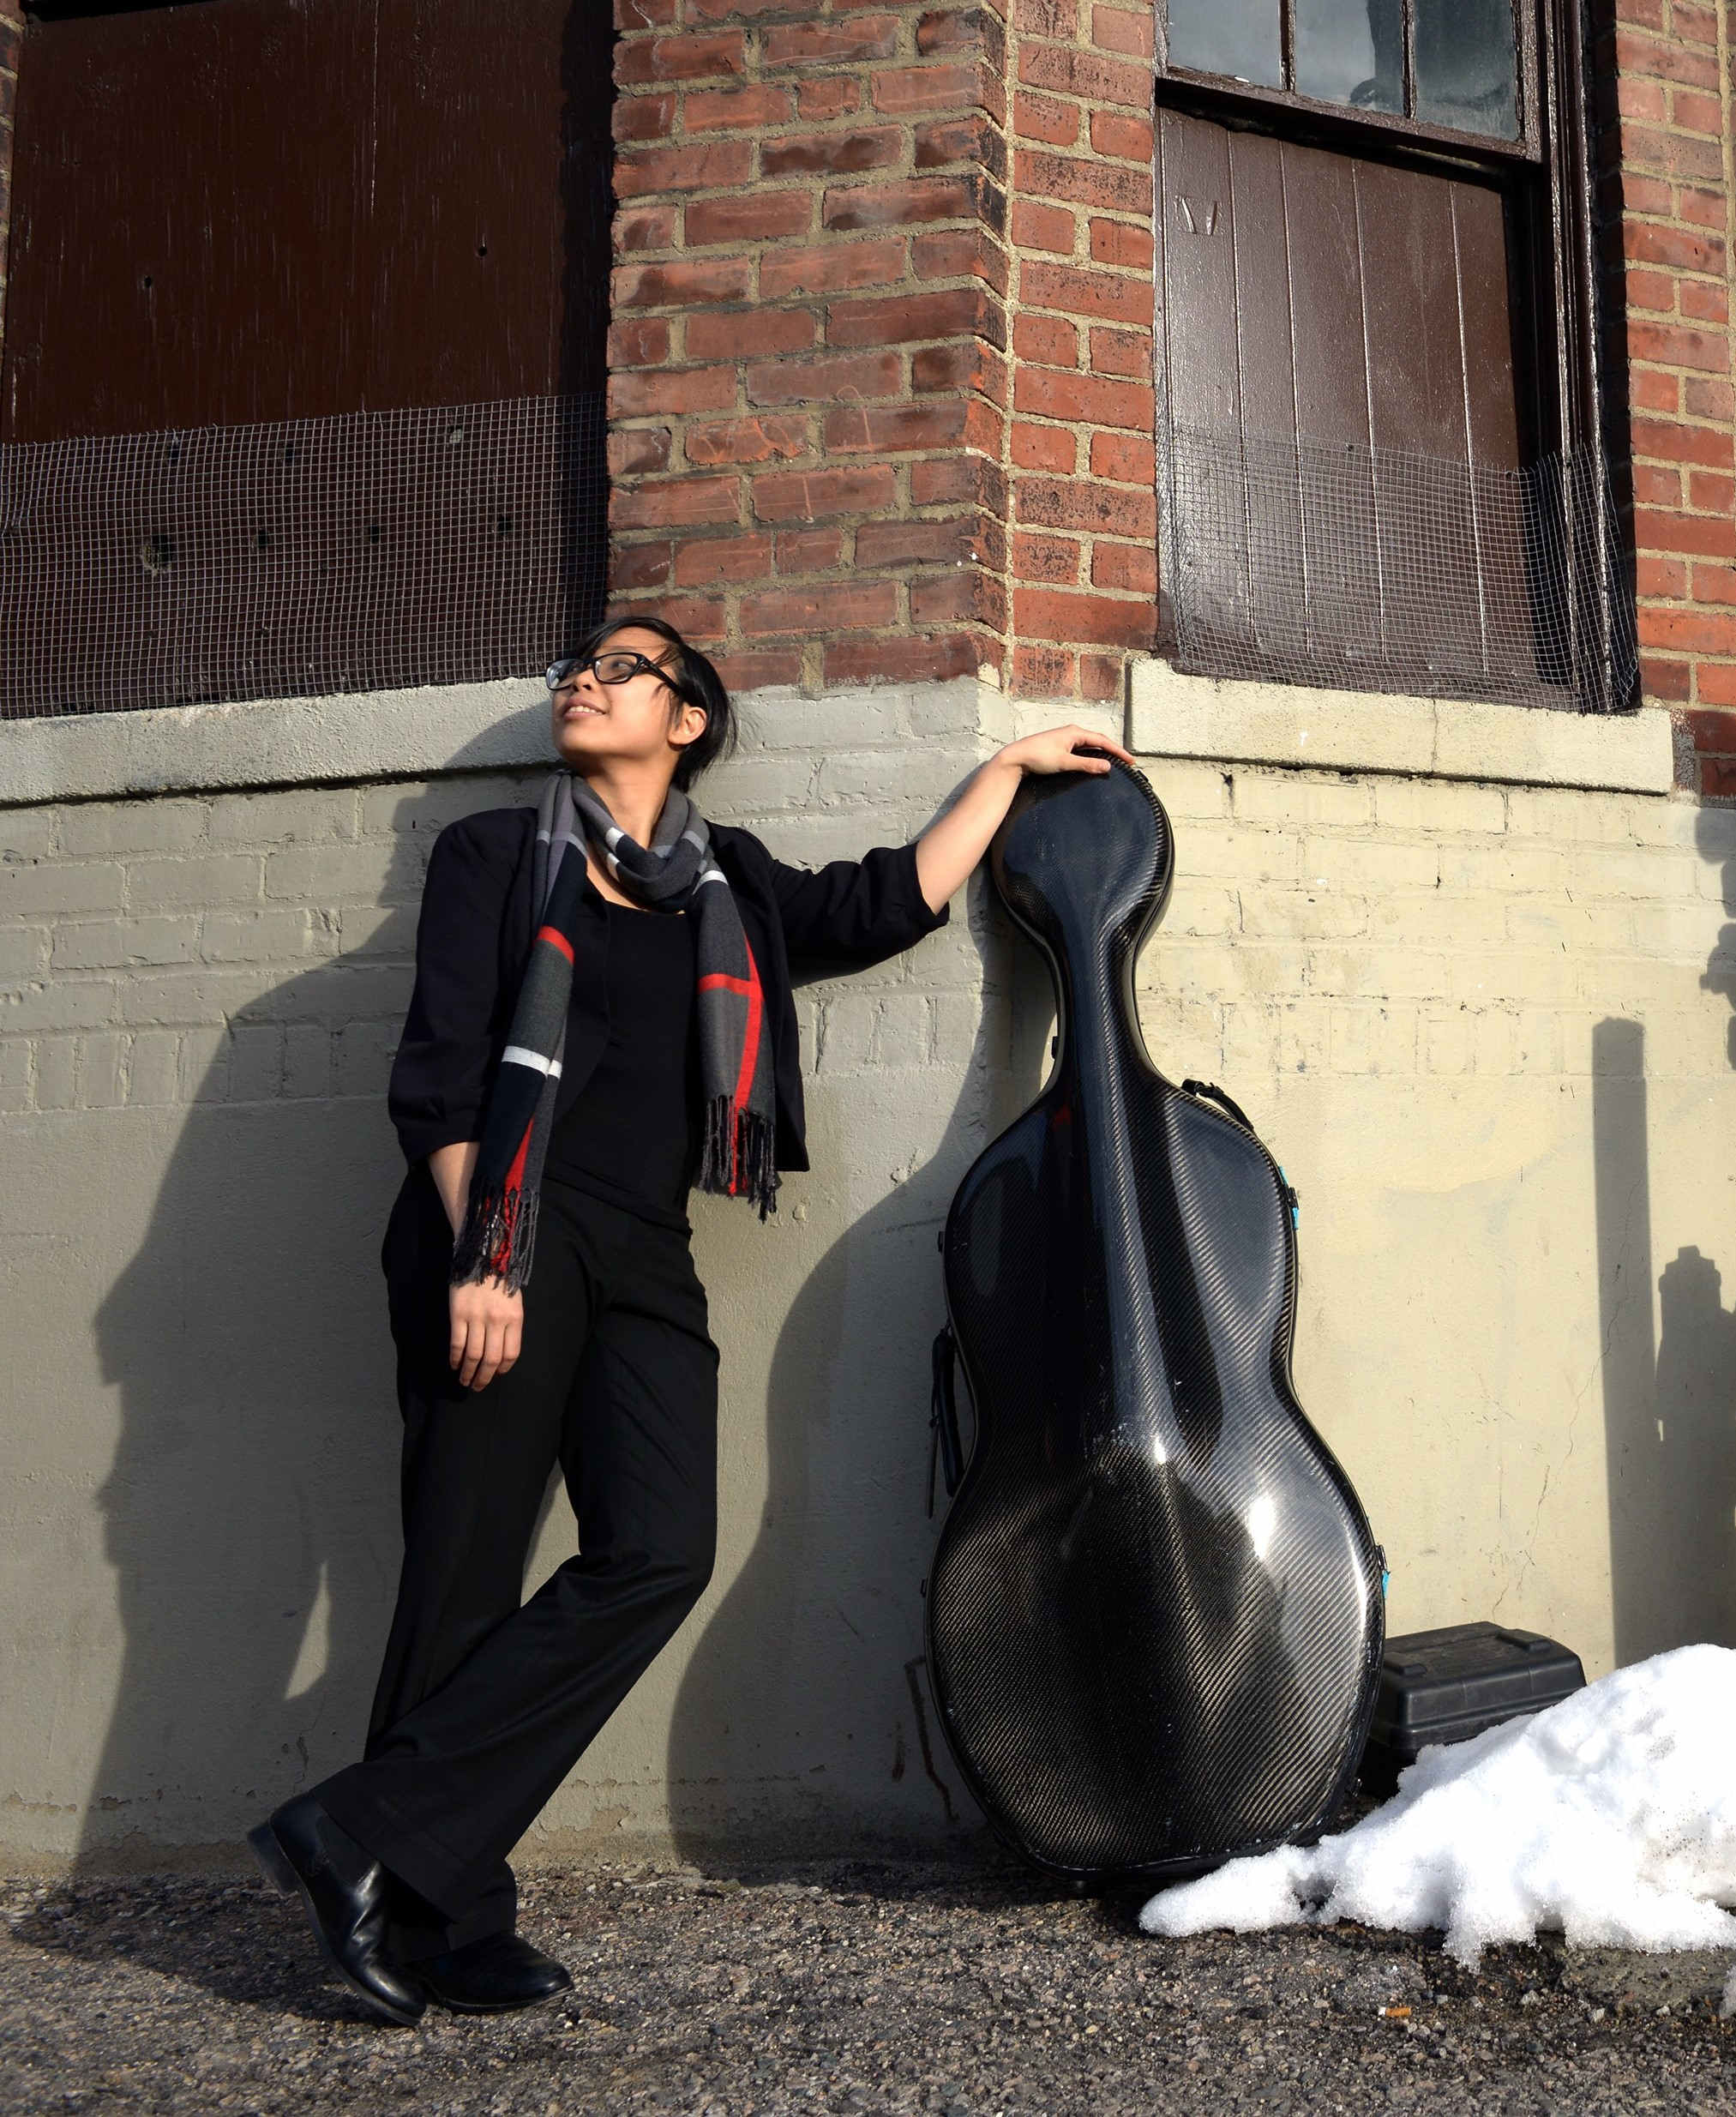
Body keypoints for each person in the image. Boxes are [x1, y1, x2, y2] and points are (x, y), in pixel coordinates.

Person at [248, 615, 1136, 2024]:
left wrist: (1010, 771)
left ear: (691, 720)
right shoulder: (494, 857)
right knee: (462, 1575)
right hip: (504, 1235)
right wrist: (488, 1257)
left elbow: (884, 901)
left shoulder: (729, 885)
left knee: (660, 1546)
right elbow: (439, 1076)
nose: (581, 683)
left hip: (646, 1257)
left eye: (619, 668)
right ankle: (444, 1912)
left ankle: (360, 1827)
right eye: (575, 671)